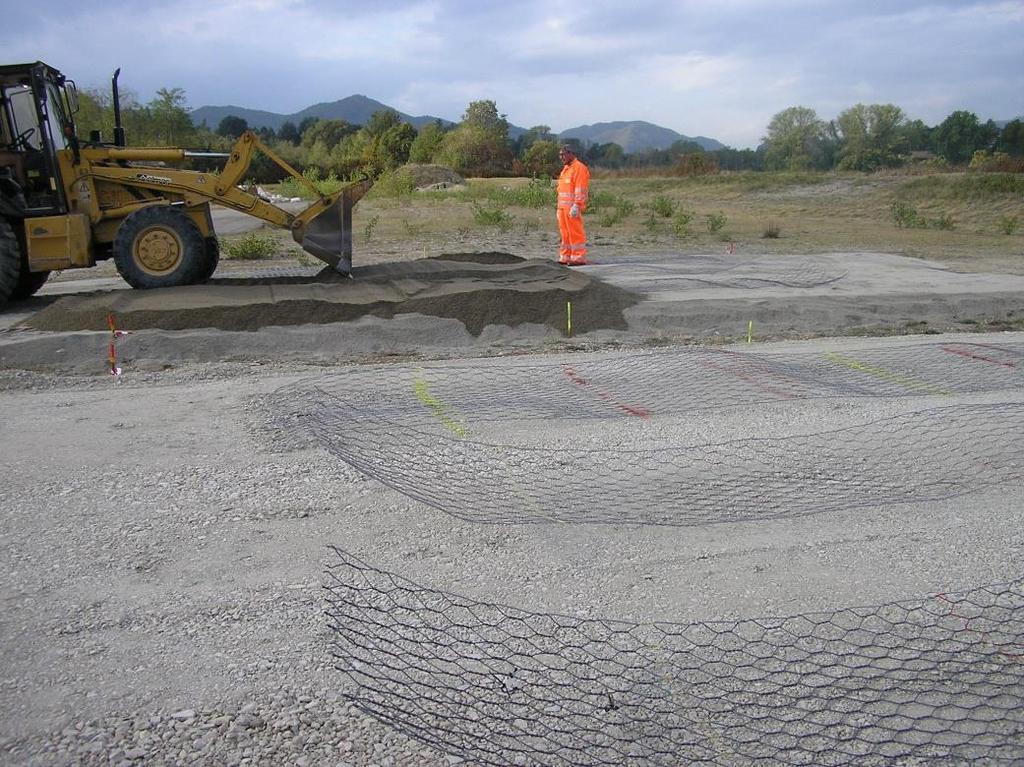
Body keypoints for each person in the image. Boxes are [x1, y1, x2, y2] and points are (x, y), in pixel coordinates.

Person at [556, 145, 590, 265]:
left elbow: (581, 189)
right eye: (560, 155)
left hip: (572, 208)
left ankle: (578, 257)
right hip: (563, 209)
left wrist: (577, 205)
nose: (561, 157)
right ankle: (566, 256)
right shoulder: (566, 169)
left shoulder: (579, 168)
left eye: (563, 154)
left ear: (571, 154)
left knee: (575, 232)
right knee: (565, 234)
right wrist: (559, 208)